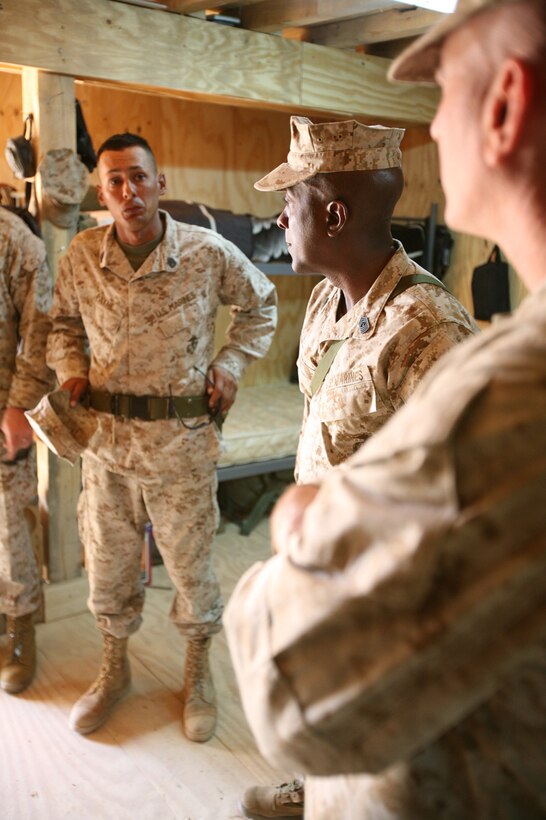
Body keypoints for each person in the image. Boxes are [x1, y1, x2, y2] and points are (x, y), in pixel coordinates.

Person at [225, 1, 546, 818]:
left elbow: (442, 572)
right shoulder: (331, 307)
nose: (434, 128)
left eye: (446, 95)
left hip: (391, 683)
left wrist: (300, 527)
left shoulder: (441, 337)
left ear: (505, 106)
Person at [238, 116, 478, 819]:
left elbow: (461, 502)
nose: (279, 214)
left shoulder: (429, 332)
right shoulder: (323, 301)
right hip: (327, 562)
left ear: (335, 214)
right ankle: (317, 785)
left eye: (294, 200)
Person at [46, 132, 277, 741]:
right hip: (106, 448)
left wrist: (229, 365)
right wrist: (70, 369)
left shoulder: (206, 252)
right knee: (108, 565)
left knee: (191, 567)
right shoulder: (80, 256)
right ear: (103, 192)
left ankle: (198, 672)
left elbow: (263, 305)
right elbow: (61, 323)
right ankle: (114, 668)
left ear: (160, 183)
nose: (129, 192)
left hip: (179, 446)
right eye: (116, 181)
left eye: (139, 178)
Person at [0, 207, 53, 694]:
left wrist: (20, 406)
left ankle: (20, 629)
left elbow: (40, 331)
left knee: (10, 522)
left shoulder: (13, 239)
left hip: (2, 411)